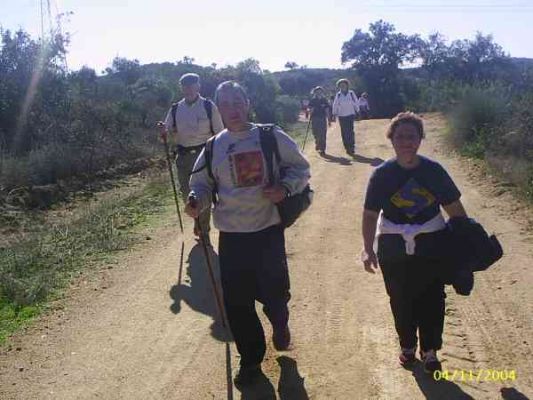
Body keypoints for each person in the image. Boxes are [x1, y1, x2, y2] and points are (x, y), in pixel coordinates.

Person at [185, 81, 310, 386]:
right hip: (232, 236)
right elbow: (201, 185)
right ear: (219, 108)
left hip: (267, 231)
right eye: (225, 103)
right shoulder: (214, 146)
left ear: (247, 103)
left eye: (237, 101)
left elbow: (301, 170)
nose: (233, 108)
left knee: (275, 294)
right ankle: (251, 360)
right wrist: (196, 201)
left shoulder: (269, 136)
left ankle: (280, 323)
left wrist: (284, 188)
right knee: (238, 304)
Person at [361, 112, 468, 374]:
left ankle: (430, 350)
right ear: (392, 139)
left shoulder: (434, 171)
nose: (406, 141)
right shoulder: (382, 175)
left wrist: (466, 245)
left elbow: (455, 209)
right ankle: (407, 345)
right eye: (400, 136)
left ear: (420, 139)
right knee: (400, 298)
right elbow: (370, 214)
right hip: (393, 245)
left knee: (432, 297)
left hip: (432, 242)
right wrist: (367, 249)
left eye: (412, 136)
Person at [159, 73, 224, 245]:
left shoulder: (209, 106)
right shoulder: (175, 109)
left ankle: (204, 231)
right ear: (181, 88)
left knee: (202, 193)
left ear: (198, 87)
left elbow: (220, 133)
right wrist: (163, 132)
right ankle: (198, 222)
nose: (188, 89)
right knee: (187, 195)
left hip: (205, 155)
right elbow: (167, 132)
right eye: (185, 86)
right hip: (183, 157)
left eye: (191, 85)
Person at [332, 78, 359, 156]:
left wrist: (357, 111)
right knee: (344, 132)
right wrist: (334, 114)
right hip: (342, 115)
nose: (342, 86)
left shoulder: (351, 93)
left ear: (347, 85)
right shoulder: (338, 94)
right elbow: (335, 104)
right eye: (341, 85)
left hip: (350, 114)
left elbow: (356, 102)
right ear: (339, 86)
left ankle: (351, 147)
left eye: (344, 84)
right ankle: (347, 147)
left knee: (350, 131)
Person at [307, 86, 331, 156]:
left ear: (322, 92)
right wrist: (310, 110)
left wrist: (329, 119)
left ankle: (322, 149)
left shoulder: (324, 100)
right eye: (317, 91)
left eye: (320, 91)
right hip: (314, 118)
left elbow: (327, 110)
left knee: (322, 134)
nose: (318, 92)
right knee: (315, 133)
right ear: (315, 92)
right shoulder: (312, 100)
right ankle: (317, 143)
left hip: (322, 118)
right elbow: (309, 108)